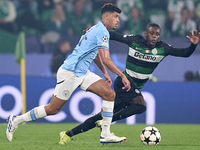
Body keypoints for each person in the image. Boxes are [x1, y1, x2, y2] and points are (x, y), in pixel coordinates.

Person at [6, 3, 131, 144]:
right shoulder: (101, 32)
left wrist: (104, 72)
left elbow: (95, 55)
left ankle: (106, 134)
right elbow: (106, 59)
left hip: (82, 72)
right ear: (106, 16)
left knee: (109, 94)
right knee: (52, 109)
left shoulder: (96, 29)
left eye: (118, 17)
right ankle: (16, 120)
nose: (118, 20)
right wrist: (122, 75)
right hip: (70, 72)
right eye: (115, 16)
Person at [57, 22, 200, 144]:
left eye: (157, 34)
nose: (154, 36)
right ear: (146, 34)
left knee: (102, 116)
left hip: (133, 86)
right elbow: (114, 35)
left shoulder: (163, 49)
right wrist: (95, 31)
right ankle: (108, 120)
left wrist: (193, 45)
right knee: (140, 106)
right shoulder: (135, 40)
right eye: (152, 33)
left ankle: (67, 134)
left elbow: (185, 53)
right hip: (124, 82)